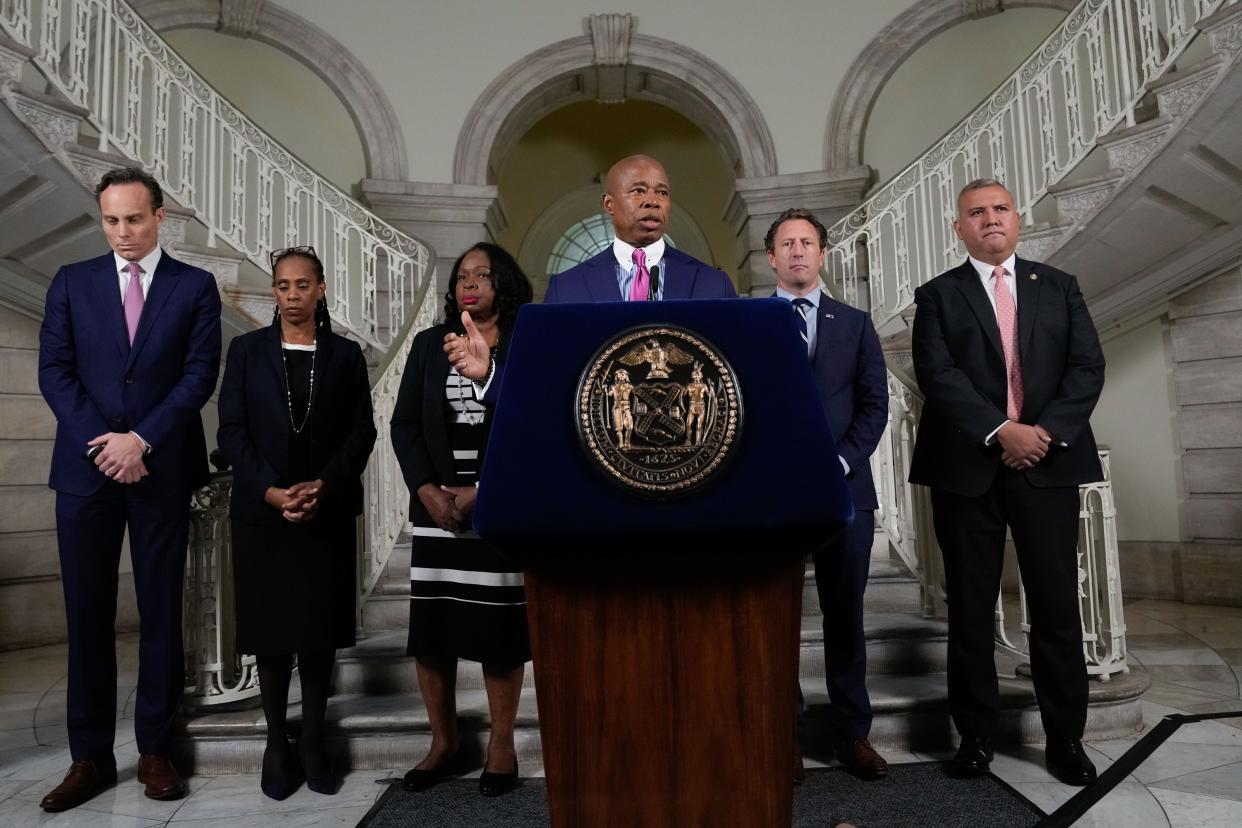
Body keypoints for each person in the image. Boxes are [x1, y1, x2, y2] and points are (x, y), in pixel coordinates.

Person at [37, 167, 221, 811]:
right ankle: (88, 758)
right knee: (86, 617)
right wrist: (107, 445)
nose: (122, 232)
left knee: (161, 612)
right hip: (85, 473)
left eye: (134, 219)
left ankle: (155, 750)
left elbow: (198, 376)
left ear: (160, 217)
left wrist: (141, 441)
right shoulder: (71, 282)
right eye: (111, 220)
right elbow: (55, 373)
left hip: (160, 468)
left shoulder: (196, 287)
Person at [909, 179, 1105, 785]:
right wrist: (1000, 431)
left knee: (1054, 607)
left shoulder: (1060, 287)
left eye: (1000, 209)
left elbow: (1086, 366)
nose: (990, 219)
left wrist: (1040, 434)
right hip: (967, 471)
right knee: (970, 609)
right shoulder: (938, 296)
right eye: (976, 212)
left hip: (1047, 465)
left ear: (1017, 219)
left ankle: (1066, 739)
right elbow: (937, 376)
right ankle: (974, 738)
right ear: (959, 228)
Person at [216, 246, 377, 799]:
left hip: (324, 512)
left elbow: (362, 432)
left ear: (321, 289)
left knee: (316, 635)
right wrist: (270, 490)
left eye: (302, 285)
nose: (291, 296)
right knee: (272, 636)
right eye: (282, 286)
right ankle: (276, 746)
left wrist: (321, 486)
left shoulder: (345, 355)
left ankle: (312, 740)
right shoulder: (245, 351)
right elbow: (230, 430)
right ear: (274, 293)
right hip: (263, 515)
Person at [391, 242, 535, 797]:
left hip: (498, 505)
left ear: (504, 284)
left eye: (482, 274)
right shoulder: (430, 345)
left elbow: (531, 421)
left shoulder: (525, 343)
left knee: (498, 631)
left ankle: (500, 747)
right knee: (434, 633)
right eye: (461, 276)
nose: (469, 283)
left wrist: (483, 491)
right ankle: (444, 743)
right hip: (438, 512)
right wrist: (427, 491)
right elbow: (405, 425)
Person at [767, 208, 890, 782]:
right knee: (776, 617)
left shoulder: (856, 323)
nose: (797, 252)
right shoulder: (751, 322)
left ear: (822, 254)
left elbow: (874, 405)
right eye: (787, 244)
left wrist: (840, 459)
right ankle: (782, 736)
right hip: (775, 494)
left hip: (846, 491)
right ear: (772, 257)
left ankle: (852, 734)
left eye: (807, 243)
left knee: (845, 617)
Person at [543, 154, 736, 303]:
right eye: (639, 191)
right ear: (609, 204)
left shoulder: (715, 285)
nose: (653, 201)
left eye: (662, 192)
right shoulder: (565, 289)